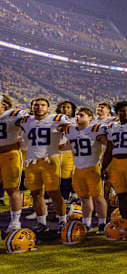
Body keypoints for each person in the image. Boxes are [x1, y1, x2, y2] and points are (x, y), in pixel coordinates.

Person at [17, 98, 72, 233]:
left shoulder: (57, 119)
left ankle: (62, 221)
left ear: (48, 108)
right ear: (31, 107)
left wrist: (63, 143)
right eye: (36, 105)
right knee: (36, 194)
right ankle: (41, 222)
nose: (39, 107)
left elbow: (71, 132)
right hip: (31, 161)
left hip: (49, 161)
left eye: (42, 105)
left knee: (54, 193)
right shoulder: (26, 120)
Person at [60, 107, 109, 233]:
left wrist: (106, 166)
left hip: (92, 167)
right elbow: (67, 145)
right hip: (77, 168)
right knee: (84, 198)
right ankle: (86, 223)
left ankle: (102, 223)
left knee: (98, 197)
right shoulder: (71, 130)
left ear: (90, 118)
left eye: (81, 115)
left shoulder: (95, 129)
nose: (77, 117)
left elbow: (108, 145)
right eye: (76, 115)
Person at [0, 94, 28, 233]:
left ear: (4, 104)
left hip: (9, 154)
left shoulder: (13, 114)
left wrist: (23, 141)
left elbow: (29, 126)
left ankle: (15, 221)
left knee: (12, 189)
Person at [56, 101, 77, 201]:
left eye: (68, 107)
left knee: (67, 177)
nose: (65, 109)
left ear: (72, 110)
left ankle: (65, 198)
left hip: (68, 152)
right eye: (63, 107)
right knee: (54, 177)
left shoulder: (75, 121)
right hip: (55, 151)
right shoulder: (55, 120)